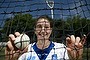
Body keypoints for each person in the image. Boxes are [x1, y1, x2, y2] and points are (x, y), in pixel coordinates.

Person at [18, 15, 86, 60]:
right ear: (35, 30)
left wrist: (77, 59)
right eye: (39, 27)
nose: (43, 30)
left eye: (47, 27)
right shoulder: (26, 50)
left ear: (51, 30)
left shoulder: (62, 49)